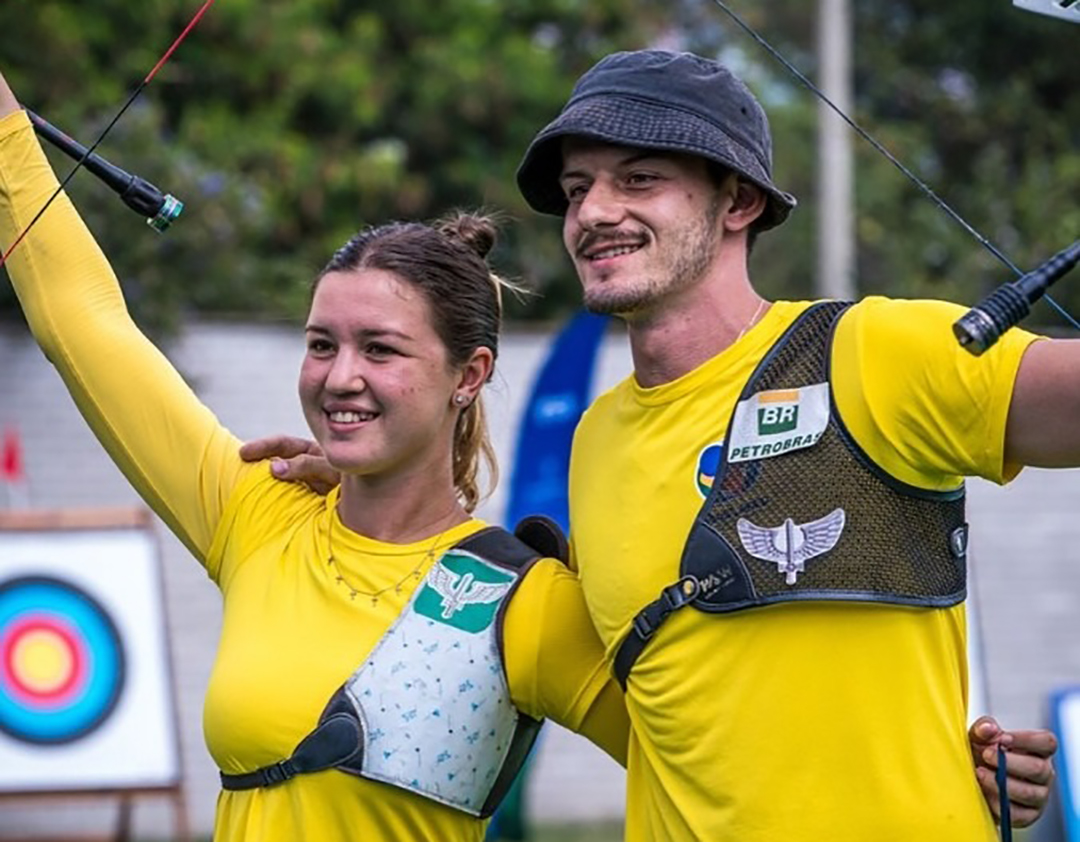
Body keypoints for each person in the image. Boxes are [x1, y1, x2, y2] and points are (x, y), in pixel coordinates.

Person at [249, 50, 1063, 840]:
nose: (592, 213)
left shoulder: (872, 353)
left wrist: (932, 755)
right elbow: (673, 693)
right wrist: (369, 480)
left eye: (638, 179)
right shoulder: (595, 439)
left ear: (737, 202)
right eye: (576, 190)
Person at [0, 73, 629, 842]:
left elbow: (703, 764)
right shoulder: (259, 512)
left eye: (381, 350)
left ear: (469, 376)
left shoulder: (520, 600)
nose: (340, 377)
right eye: (321, 345)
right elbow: (84, 326)